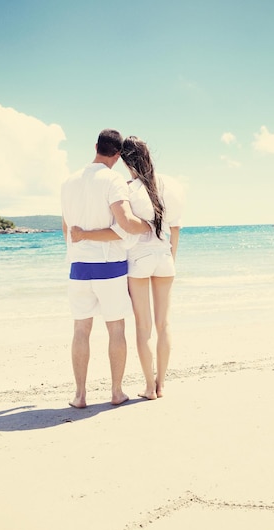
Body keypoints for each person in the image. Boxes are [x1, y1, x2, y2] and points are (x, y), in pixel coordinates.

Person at [61, 129, 150, 408]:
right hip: (109, 266)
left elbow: (67, 227)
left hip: (78, 266)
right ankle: (116, 392)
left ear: (96, 146)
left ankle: (80, 395)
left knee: (80, 330)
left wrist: (80, 240)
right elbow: (124, 222)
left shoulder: (69, 180)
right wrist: (148, 227)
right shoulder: (113, 180)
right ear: (118, 154)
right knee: (116, 330)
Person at [121, 136, 183, 399]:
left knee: (143, 327)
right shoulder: (170, 184)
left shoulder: (128, 188)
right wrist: (172, 259)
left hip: (138, 259)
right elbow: (176, 228)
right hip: (164, 257)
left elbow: (125, 227)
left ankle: (149, 387)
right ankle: (162, 383)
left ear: (126, 160)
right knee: (163, 323)